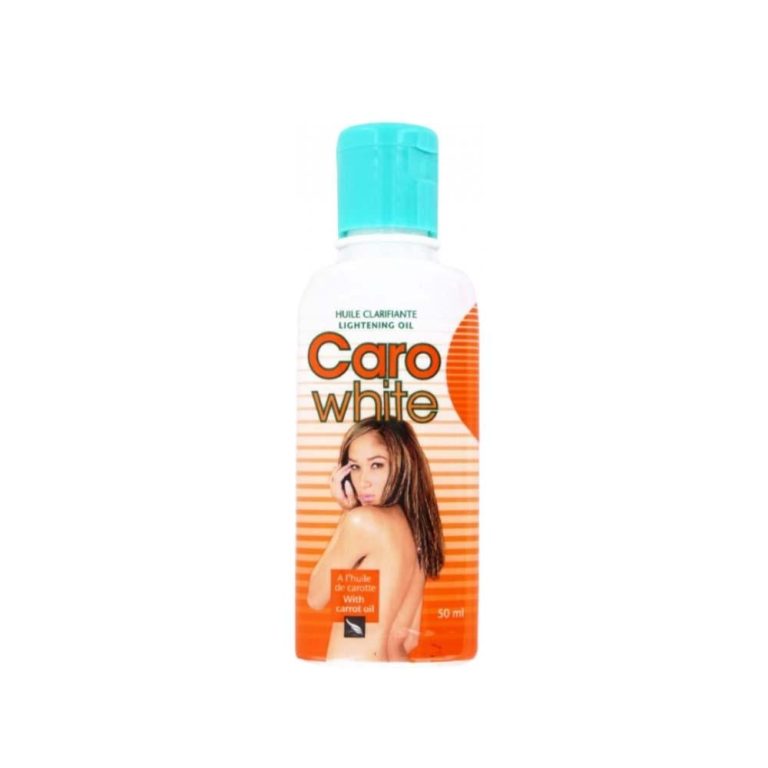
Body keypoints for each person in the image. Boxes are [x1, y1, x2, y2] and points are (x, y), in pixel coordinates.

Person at [307, 417, 445, 661]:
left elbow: (316, 598)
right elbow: (407, 639)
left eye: (377, 465)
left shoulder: (361, 522)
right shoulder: (418, 533)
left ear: (403, 464)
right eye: (355, 467)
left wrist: (347, 513)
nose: (363, 481)